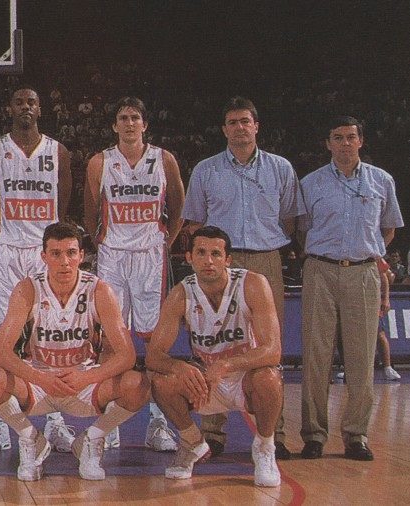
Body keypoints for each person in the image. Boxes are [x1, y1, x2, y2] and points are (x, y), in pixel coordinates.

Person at [0, 222, 149, 482]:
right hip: (39, 382)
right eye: (56, 254)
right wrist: (41, 378)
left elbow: (127, 355)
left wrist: (87, 378)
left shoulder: (99, 290)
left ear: (81, 255)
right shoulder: (27, 289)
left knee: (138, 385)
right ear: (44, 256)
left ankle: (91, 440)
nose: (64, 261)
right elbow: (1, 353)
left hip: (82, 383)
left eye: (70, 253)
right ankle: (31, 439)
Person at [181, 96, 302, 459]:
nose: (239, 127)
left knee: (268, 345)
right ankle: (213, 431)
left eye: (245, 121)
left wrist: (269, 244)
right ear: (224, 129)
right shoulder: (206, 169)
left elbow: (292, 219)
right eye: (232, 122)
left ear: (256, 126)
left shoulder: (280, 168)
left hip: (266, 258)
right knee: (210, 342)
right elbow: (195, 223)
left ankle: (273, 432)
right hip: (220, 261)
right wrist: (211, 258)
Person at [0, 88, 74, 455]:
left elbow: (62, 206)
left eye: (32, 102)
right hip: (5, 250)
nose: (26, 107)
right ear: (10, 108)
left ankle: (56, 419)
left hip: (44, 252)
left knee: (51, 335)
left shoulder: (57, 151)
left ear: (40, 108)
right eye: (19, 102)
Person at [82, 97, 186, 452]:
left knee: (154, 342)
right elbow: (88, 213)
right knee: (112, 339)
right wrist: (107, 243)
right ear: (114, 125)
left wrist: (163, 242)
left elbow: (179, 207)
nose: (129, 123)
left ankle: (157, 421)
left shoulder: (164, 159)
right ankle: (111, 418)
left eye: (135, 118)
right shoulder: (100, 162)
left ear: (145, 124)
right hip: (113, 255)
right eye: (123, 117)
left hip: (150, 256)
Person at [298, 116, 403, 461]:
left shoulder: (381, 181)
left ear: (361, 141)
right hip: (320, 270)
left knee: (362, 357)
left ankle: (356, 436)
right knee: (316, 356)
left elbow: (388, 230)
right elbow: (302, 229)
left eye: (350, 137)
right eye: (337, 137)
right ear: (328, 143)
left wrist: (362, 251)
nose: (345, 143)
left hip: (362, 271)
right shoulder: (310, 183)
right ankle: (314, 434)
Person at [147, 226, 283, 487]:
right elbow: (153, 356)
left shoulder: (253, 284)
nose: (208, 260)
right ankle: (191, 442)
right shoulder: (181, 293)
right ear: (189, 257)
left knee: (270, 378)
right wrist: (180, 367)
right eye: (201, 252)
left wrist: (227, 363)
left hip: (245, 378)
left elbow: (272, 350)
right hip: (207, 382)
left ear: (227, 259)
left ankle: (265, 447)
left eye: (216, 254)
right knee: (161, 382)